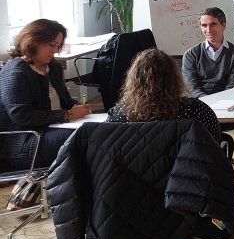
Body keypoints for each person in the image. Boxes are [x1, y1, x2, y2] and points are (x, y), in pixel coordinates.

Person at [0, 19, 92, 168]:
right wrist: (66, 115)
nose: (55, 50)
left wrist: (79, 108)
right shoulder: (15, 72)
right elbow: (21, 115)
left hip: (53, 129)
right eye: (51, 45)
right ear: (33, 42)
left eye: (57, 46)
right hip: (27, 142)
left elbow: (66, 101)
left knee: (97, 131)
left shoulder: (53, 67)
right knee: (87, 137)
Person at [108, 48, 221, 140]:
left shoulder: (119, 114)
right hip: (186, 167)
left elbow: (109, 148)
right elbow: (215, 141)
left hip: (136, 168)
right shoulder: (197, 110)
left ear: (133, 81)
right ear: (175, 78)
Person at [182, 7, 234, 98]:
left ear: (224, 25)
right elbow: (191, 87)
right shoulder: (190, 55)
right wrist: (208, 102)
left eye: (213, 24)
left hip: (227, 101)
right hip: (199, 103)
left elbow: (232, 86)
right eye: (204, 25)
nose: (208, 30)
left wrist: (218, 102)